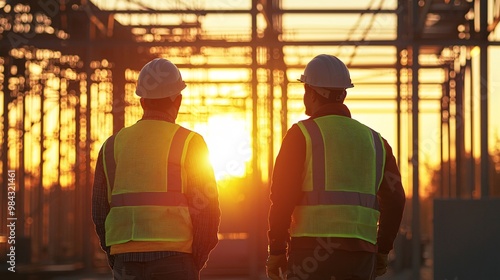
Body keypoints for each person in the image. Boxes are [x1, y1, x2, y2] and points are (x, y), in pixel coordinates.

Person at [266, 54, 405, 280]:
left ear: (312, 93)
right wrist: (382, 249)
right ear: (343, 94)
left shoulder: (301, 135)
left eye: (305, 90)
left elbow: (282, 197)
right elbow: (395, 199)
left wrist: (277, 249)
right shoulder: (376, 141)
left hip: (310, 253)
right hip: (360, 254)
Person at [92, 58, 220, 280]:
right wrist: (192, 262)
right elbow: (207, 211)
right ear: (178, 101)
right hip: (176, 258)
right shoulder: (190, 142)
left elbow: (100, 211)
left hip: (125, 260)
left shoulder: (112, 146)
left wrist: (116, 256)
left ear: (142, 102)